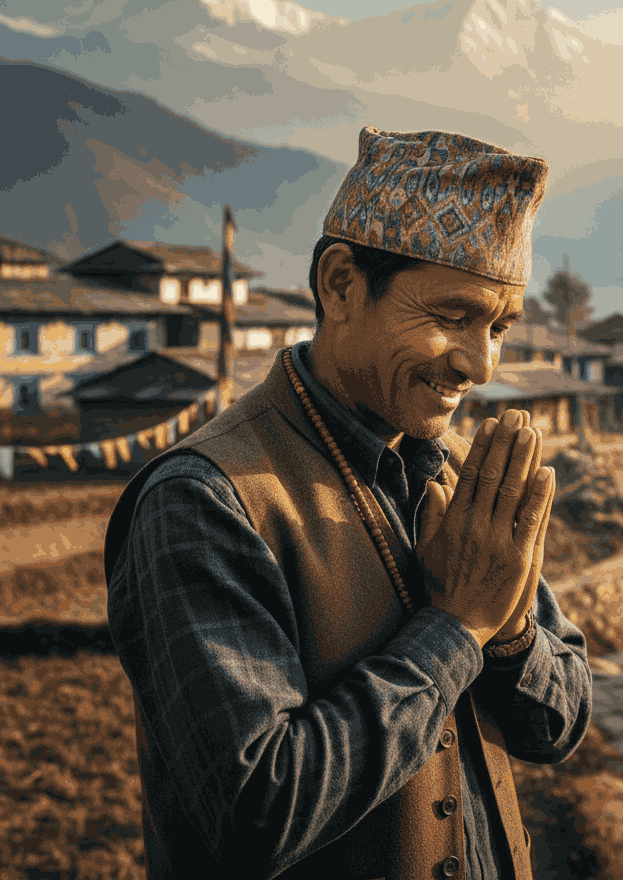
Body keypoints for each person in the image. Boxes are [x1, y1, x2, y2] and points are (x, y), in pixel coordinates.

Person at [104, 126, 593, 880]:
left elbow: (560, 726)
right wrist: (459, 626)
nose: (480, 363)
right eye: (451, 317)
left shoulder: (458, 473)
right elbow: (256, 812)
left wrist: (510, 632)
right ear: (341, 285)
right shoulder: (205, 502)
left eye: (499, 327)